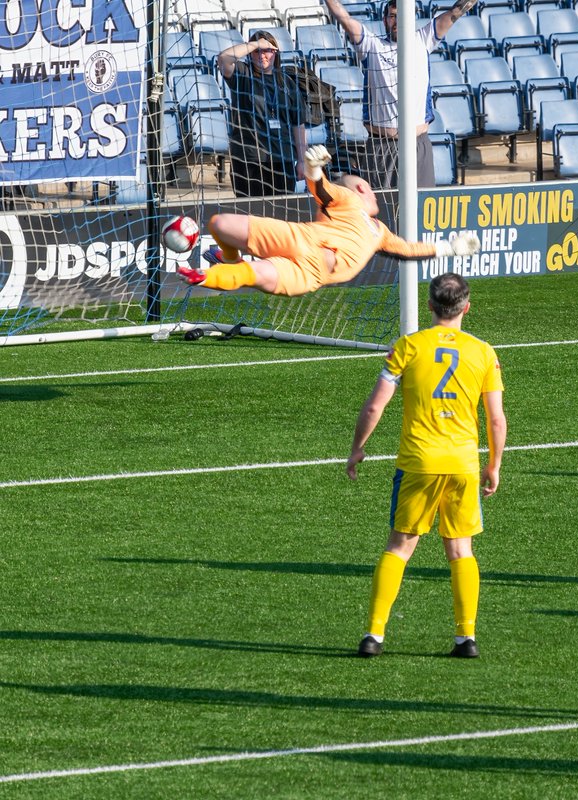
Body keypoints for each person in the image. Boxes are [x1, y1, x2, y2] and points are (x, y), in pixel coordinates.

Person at [346, 272, 506, 659]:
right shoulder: (483, 352)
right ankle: (465, 638)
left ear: (430, 306)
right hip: (463, 465)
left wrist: (357, 448)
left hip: (417, 463)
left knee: (400, 547)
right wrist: (494, 465)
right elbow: (496, 419)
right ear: (467, 307)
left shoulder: (407, 346)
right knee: (461, 550)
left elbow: (374, 405)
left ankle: (374, 636)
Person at [177, 145, 478, 295]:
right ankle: (228, 259)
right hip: (300, 237)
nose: (373, 194)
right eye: (368, 188)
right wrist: (313, 170)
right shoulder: (348, 200)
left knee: (249, 274)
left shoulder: (381, 233)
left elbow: (408, 251)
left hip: (310, 275)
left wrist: (450, 248)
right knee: (219, 224)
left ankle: (209, 275)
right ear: (361, 189)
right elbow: (320, 189)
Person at [323, 0, 477, 189]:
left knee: (421, 208)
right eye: (392, 16)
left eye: (401, 16)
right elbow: (343, 18)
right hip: (382, 148)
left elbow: (456, 12)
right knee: (382, 211)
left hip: (417, 145)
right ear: (384, 19)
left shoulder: (423, 38)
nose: (397, 21)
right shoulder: (372, 45)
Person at [217, 31, 308, 197]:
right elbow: (223, 59)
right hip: (249, 158)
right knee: (252, 215)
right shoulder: (243, 74)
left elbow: (298, 123)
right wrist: (256, 44)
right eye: (257, 51)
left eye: (267, 50)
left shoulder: (287, 82)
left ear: (275, 53)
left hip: (282, 158)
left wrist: (302, 160)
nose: (262, 55)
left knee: (281, 215)